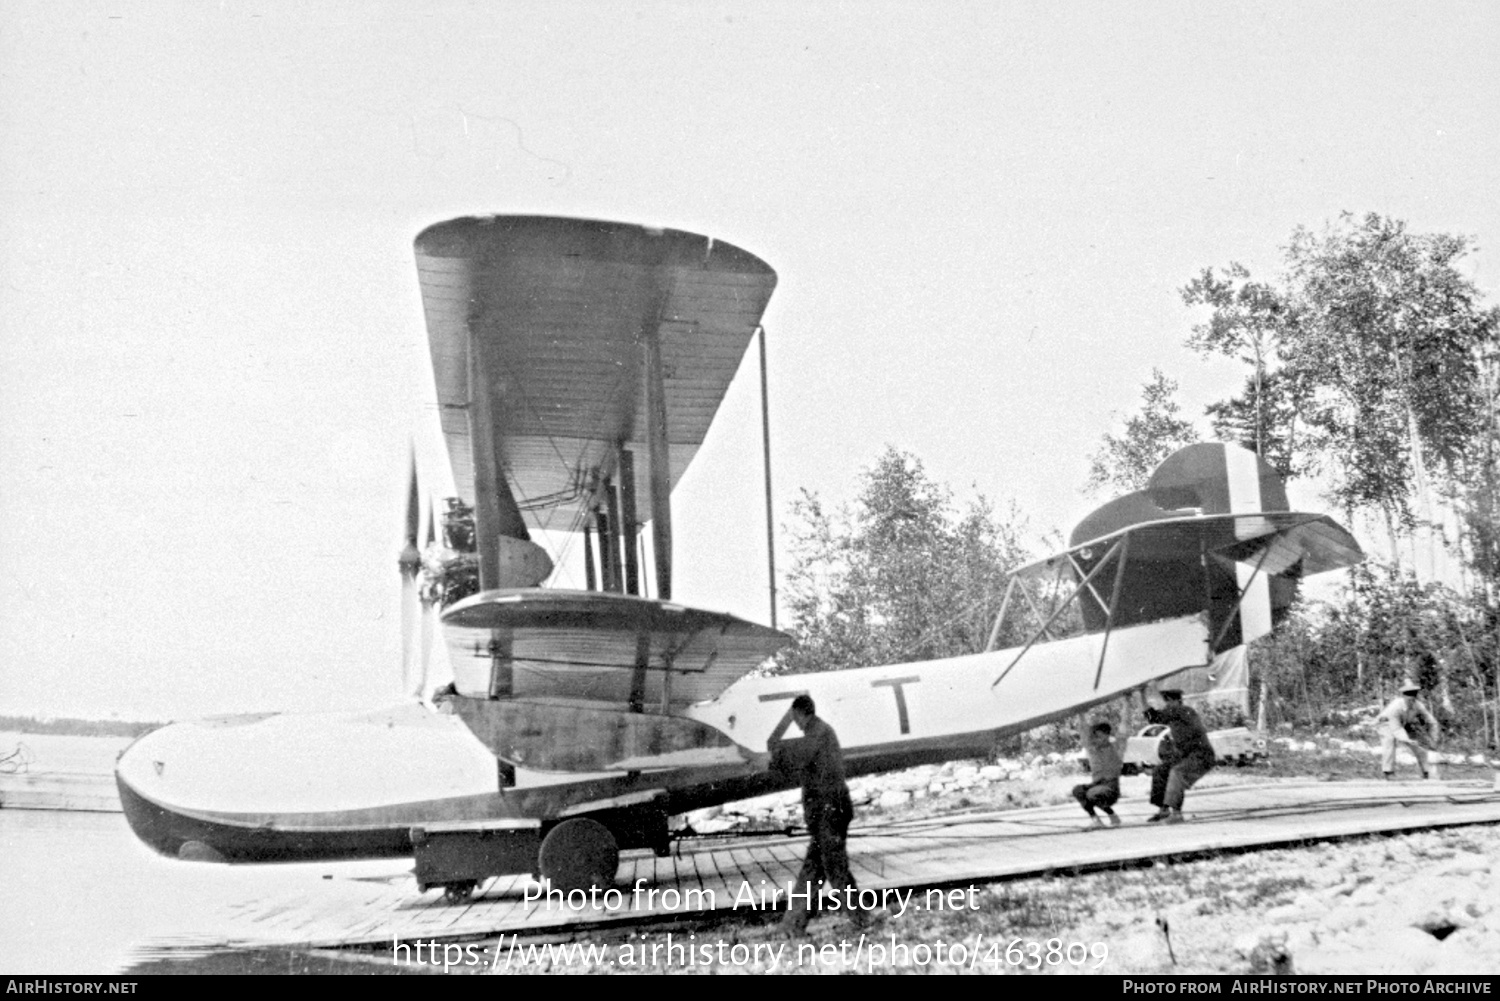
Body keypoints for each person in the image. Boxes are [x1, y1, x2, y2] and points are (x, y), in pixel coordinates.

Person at [767, 694, 868, 934]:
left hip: (828, 814)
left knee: (834, 868)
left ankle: (861, 920)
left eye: (795, 719)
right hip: (829, 813)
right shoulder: (821, 732)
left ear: (801, 714)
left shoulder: (817, 734)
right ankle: (792, 925)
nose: (796, 724)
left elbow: (796, 753)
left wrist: (773, 754)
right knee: (814, 869)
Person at [1145, 689, 1216, 824]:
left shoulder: (1183, 710)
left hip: (1201, 755)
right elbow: (1153, 717)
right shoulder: (1176, 713)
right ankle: (1164, 811)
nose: (1165, 705)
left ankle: (1177, 814)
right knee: (1161, 771)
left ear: (1176, 701)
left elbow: (1153, 716)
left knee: (1177, 772)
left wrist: (1143, 693)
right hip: (1186, 754)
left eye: (1167, 701)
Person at [1376, 679, 1440, 780]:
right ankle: (1388, 771)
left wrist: (1433, 739)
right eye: (1408, 695)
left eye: (1413, 695)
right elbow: (1396, 729)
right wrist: (1408, 740)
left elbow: (1432, 722)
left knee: (1420, 745)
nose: (1411, 698)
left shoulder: (1418, 705)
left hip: (1405, 723)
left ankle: (1426, 771)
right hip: (1386, 723)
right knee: (1390, 740)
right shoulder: (1395, 707)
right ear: (1403, 696)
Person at [1073, 720, 1124, 829]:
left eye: (1098, 736)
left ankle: (1112, 815)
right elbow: (1084, 733)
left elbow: (1125, 727)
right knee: (1078, 790)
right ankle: (1096, 820)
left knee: (1092, 794)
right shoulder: (1092, 750)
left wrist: (1126, 704)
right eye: (1094, 737)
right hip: (1096, 785)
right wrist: (1081, 715)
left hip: (1111, 789)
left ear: (1107, 736)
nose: (1095, 740)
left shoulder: (1117, 748)